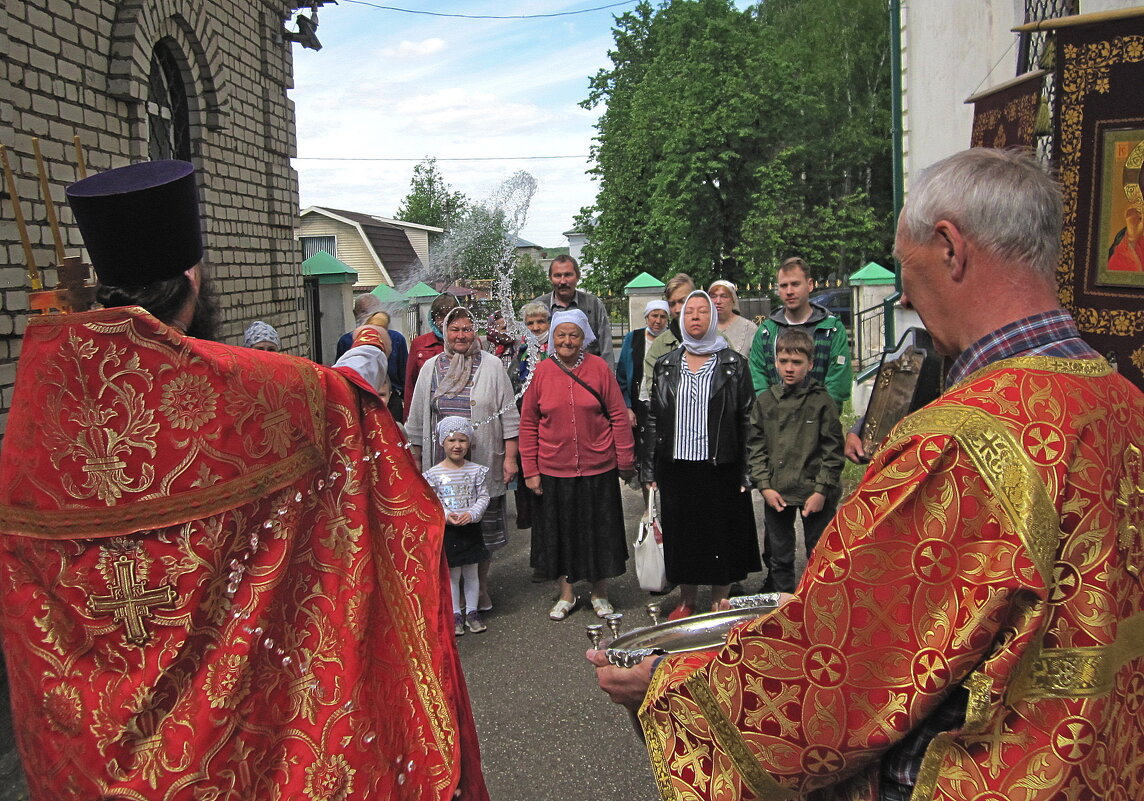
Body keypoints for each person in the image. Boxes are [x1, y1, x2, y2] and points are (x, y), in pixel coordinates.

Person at [591, 148, 1144, 801]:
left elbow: (841, 669)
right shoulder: (1123, 403)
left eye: (907, 271)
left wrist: (667, 684)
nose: (904, 295)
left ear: (950, 248)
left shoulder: (960, 443)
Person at [0, 160, 489, 801]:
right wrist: (371, 337)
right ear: (192, 279)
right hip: (229, 748)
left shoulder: (41, 410)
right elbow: (342, 395)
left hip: (87, 751)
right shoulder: (241, 391)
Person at [641, 290, 760, 618]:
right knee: (683, 535)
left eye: (702, 311)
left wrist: (747, 471)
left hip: (720, 464)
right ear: (680, 319)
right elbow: (653, 418)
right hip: (677, 465)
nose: (695, 316)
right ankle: (687, 600)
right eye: (689, 311)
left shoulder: (733, 364)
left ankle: (719, 599)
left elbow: (748, 418)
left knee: (720, 534)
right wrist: (649, 468)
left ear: (712, 318)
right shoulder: (666, 365)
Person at [519, 310, 636, 620]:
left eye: (573, 335)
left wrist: (625, 459)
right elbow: (529, 422)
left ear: (584, 338)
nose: (566, 341)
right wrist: (530, 470)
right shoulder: (542, 372)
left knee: (600, 532)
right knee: (560, 532)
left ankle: (600, 594)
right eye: (561, 334)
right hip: (554, 468)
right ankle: (567, 593)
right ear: (552, 338)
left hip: (598, 467)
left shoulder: (598, 369)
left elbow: (618, 417)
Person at [406, 306, 520, 615]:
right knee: (448, 528)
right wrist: (417, 462)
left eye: (467, 329)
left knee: (480, 525)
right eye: (455, 329)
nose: (461, 335)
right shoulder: (431, 367)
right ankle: (453, 593)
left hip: (482, 461)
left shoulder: (493, 365)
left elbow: (509, 414)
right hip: (442, 467)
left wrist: (510, 458)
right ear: (444, 332)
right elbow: (417, 419)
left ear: (475, 332)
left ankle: (480, 586)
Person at [747, 328, 844, 593]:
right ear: (776, 362)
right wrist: (764, 486)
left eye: (797, 362)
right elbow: (755, 447)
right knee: (779, 557)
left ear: (810, 364)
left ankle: (820, 607)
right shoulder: (766, 401)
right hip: (777, 491)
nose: (789, 368)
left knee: (820, 554)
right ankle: (783, 610)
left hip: (814, 491)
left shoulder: (821, 401)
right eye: (783, 361)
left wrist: (822, 491)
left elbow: (833, 450)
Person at [749, 256, 851, 410]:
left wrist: (812, 418)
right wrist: (775, 415)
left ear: (809, 285)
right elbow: (758, 382)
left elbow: (837, 385)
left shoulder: (832, 330)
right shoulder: (766, 332)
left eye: (795, 284)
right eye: (784, 286)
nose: (789, 291)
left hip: (819, 426)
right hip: (776, 424)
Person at [422, 417, 492, 636]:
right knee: (452, 574)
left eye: (462, 440)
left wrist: (472, 514)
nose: (457, 445)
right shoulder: (433, 474)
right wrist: (446, 515)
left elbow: (483, 497)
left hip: (470, 527)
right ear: (442, 442)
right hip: (450, 529)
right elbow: (434, 501)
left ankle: (472, 611)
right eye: (451, 440)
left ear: (469, 443)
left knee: (472, 571)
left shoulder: (477, 471)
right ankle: (455, 613)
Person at [531, 254, 614, 368]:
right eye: (557, 276)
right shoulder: (538, 306)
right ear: (550, 278)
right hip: (550, 376)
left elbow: (606, 349)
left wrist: (607, 380)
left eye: (568, 275)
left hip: (587, 376)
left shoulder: (593, 305)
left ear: (578, 277)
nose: (563, 281)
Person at [336, 297, 409, 421]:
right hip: (359, 400)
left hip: (391, 400)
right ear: (355, 314)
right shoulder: (346, 340)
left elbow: (405, 376)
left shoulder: (396, 338)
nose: (369, 316)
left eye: (373, 311)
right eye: (364, 312)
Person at [638, 273, 695, 403]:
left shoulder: (718, 340)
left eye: (682, 301)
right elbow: (654, 388)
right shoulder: (660, 345)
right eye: (672, 304)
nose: (678, 309)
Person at [404, 292, 459, 419]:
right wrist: (409, 420)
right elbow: (410, 385)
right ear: (433, 318)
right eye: (440, 316)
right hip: (428, 411)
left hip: (460, 409)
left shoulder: (467, 342)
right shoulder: (420, 344)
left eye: (449, 316)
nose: (444, 321)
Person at [708, 279, 758, 357]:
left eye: (724, 296)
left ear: (733, 300)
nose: (718, 301)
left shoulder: (749, 329)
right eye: (713, 296)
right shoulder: (704, 327)